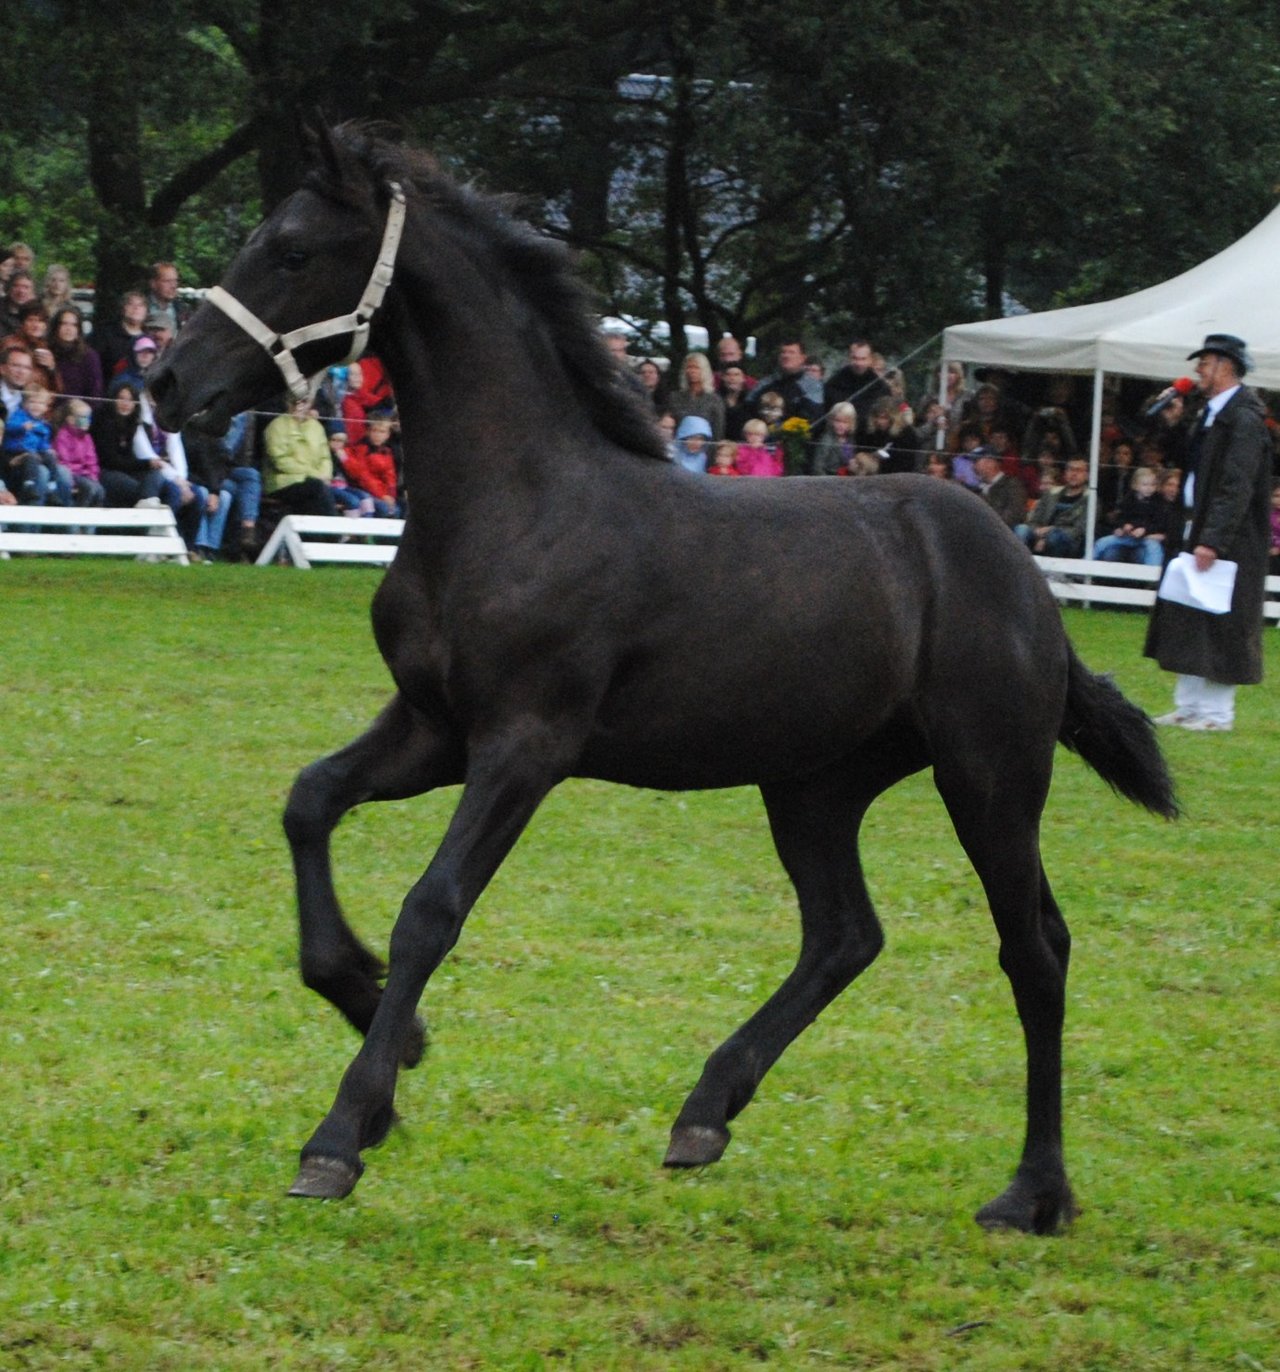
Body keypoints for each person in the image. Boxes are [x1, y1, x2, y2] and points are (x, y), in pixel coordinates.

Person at [1145, 334, 1273, 732]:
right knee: (1190, 617)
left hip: (1229, 540)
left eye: (1205, 363)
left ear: (1224, 366)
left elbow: (1237, 485)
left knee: (1223, 624)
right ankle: (1189, 707)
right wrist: (1171, 422)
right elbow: (1189, 464)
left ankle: (1217, 714)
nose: (1198, 371)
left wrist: (1213, 539)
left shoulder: (1245, 419)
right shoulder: (1211, 413)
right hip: (1197, 528)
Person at [263, 397, 340, 515]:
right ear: (288, 403)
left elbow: (325, 457)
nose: (299, 407)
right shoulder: (276, 426)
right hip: (283, 483)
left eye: (304, 402)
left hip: (314, 482)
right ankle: (333, 531)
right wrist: (314, 475)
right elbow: (280, 460)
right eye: (295, 403)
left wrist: (325, 475)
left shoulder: (317, 427)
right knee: (317, 489)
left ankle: (323, 531)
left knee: (320, 492)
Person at [1093, 466, 1175, 566]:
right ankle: (1084, 566)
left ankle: (1153, 577)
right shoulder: (1128, 500)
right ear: (1135, 485)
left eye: (1153, 485)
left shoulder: (1158, 502)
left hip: (1147, 537)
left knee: (1155, 548)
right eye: (1145, 485)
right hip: (1127, 536)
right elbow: (1120, 517)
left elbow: (1158, 523)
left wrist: (1144, 530)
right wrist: (1123, 526)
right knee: (1102, 542)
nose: (1149, 488)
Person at [1014, 455, 1090, 557]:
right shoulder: (1051, 493)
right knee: (1021, 529)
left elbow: (1079, 530)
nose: (1074, 474)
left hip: (1066, 541)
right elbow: (1034, 520)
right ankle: (1019, 566)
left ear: (1087, 475)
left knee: (1054, 537)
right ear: (1065, 473)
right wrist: (1037, 532)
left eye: (1079, 470)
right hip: (1040, 535)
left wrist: (1051, 531)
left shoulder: (1090, 498)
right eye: (1070, 469)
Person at [823, 339, 890, 441]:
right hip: (839, 439)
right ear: (849, 358)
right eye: (855, 358)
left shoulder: (880, 387)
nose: (859, 363)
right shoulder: (835, 382)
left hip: (869, 440)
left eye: (863, 359)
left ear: (870, 359)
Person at [747, 339, 824, 424]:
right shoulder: (764, 383)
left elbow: (813, 417)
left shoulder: (812, 386)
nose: (786, 356)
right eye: (783, 352)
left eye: (791, 352)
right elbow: (747, 408)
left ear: (802, 358)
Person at [343, 412, 402, 515]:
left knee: (400, 509)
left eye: (382, 432)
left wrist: (391, 496)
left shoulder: (387, 452)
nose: (378, 435)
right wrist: (382, 496)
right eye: (374, 431)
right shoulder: (359, 449)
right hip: (363, 490)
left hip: (382, 493)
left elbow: (390, 478)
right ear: (368, 431)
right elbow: (363, 476)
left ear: (388, 435)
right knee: (384, 509)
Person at [53, 399, 106, 512]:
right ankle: (78, 518)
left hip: (85, 474)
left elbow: (92, 460)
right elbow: (63, 460)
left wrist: (93, 476)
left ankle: (90, 527)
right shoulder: (62, 436)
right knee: (89, 488)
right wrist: (72, 481)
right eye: (83, 417)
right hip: (73, 475)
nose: (87, 421)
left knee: (100, 491)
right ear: (71, 419)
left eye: (88, 417)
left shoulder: (87, 437)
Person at [49, 307, 104, 408]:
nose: (68, 328)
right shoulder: (47, 351)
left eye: (74, 325)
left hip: (77, 414)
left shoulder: (89, 356)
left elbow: (94, 394)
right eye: (64, 323)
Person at [668, 352, 725, 440]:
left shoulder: (714, 399)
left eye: (696, 367)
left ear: (704, 370)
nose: (692, 371)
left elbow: (718, 431)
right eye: (689, 367)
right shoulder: (674, 397)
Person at [94, 290, 149, 377]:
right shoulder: (106, 333)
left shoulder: (149, 338)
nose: (136, 308)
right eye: (130, 304)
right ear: (123, 308)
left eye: (141, 305)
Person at [973, 448, 1029, 529]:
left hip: (1006, 533)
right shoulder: (978, 489)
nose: (973, 466)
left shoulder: (1012, 484)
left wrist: (991, 525)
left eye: (976, 462)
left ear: (990, 463)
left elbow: (1015, 513)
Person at [810, 401, 857, 475]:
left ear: (851, 423)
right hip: (830, 478)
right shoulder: (827, 440)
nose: (840, 425)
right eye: (837, 421)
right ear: (831, 421)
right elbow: (817, 467)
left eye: (845, 422)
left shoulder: (849, 439)